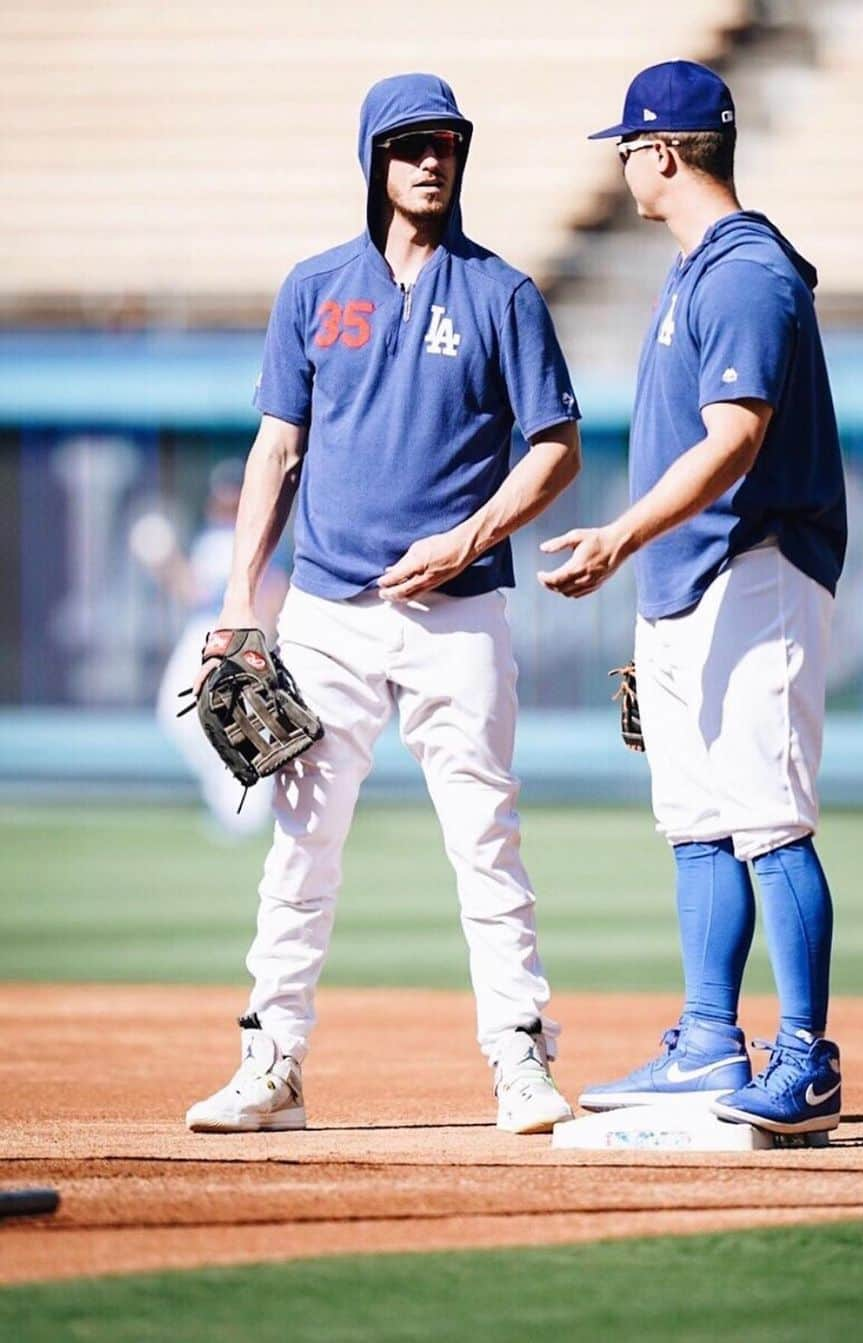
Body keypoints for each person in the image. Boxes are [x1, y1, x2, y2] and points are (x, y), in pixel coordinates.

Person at [185, 72, 581, 1136]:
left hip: (461, 612)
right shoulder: (314, 288)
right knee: (301, 843)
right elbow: (278, 446)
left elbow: (556, 448)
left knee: (485, 839)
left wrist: (470, 534)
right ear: (374, 157)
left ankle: (519, 1057)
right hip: (326, 612)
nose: (431, 159)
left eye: (447, 142)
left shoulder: (503, 293)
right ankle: (272, 1062)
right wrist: (238, 603)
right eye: (409, 143)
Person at [540, 61, 847, 1135]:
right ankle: (712, 1039)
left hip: (752, 567)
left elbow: (738, 438)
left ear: (661, 153)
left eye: (626, 144)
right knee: (701, 823)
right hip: (686, 583)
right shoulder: (694, 269)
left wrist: (624, 538)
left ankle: (805, 1058)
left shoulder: (745, 271)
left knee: (768, 817)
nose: (622, 161)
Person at [135, 460, 287, 837]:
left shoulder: (256, 536)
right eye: (222, 492)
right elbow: (193, 593)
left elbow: (274, 590)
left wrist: (260, 646)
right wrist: (165, 563)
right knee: (179, 716)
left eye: (233, 492)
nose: (225, 498)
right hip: (204, 632)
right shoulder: (212, 538)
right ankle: (233, 796)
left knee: (237, 723)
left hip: (233, 637)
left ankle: (246, 811)